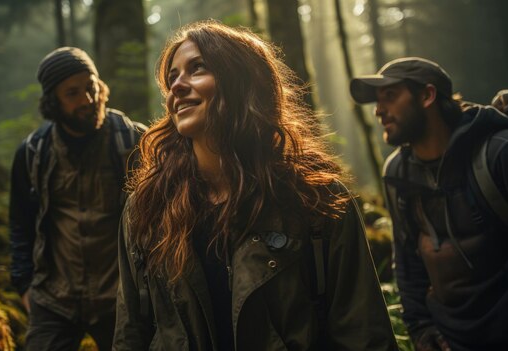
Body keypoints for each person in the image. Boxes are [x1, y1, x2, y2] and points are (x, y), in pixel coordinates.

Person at [112, 21, 397, 351]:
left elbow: (364, 335)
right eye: (172, 76)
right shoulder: (147, 208)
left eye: (197, 68)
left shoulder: (317, 200)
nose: (176, 86)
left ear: (241, 81)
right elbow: (131, 331)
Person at [350, 57, 508, 351]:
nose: (378, 110)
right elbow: (408, 259)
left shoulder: (505, 154)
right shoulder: (398, 172)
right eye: (377, 100)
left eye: (390, 95)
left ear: (427, 95)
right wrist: (421, 328)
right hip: (451, 341)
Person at [9, 47, 145, 350]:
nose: (87, 99)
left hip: (120, 299)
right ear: (52, 102)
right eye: (72, 93)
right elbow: (21, 224)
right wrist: (23, 286)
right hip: (54, 299)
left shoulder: (134, 143)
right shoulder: (33, 153)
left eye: (91, 86)